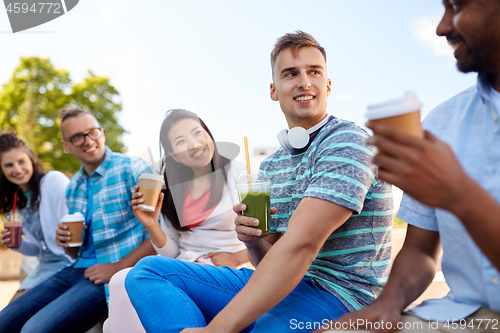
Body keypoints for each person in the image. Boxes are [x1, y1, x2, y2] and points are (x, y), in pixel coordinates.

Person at [124, 31, 394, 333]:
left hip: (341, 295)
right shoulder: (271, 166)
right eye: (291, 74)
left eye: (314, 72)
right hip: (285, 282)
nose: (304, 82)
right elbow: (270, 260)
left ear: (328, 85)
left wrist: (216, 330)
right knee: (148, 273)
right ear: (274, 90)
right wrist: (252, 242)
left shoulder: (349, 142)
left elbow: (301, 247)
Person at [326, 0, 500, 332]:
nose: (442, 27)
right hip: (463, 317)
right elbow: (421, 251)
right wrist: (387, 304)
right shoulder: (442, 123)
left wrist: (459, 194)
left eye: (457, 7)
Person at [0, 108, 158, 333]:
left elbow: (163, 234)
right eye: (77, 137)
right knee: (5, 322)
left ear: (102, 133)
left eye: (92, 132)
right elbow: (75, 252)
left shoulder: (132, 168)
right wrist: (67, 244)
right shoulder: (74, 186)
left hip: (110, 275)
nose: (87, 141)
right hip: (73, 269)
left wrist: (117, 267)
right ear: (66, 145)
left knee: (34, 330)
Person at [103, 109, 248, 333]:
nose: (194, 144)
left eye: (198, 133)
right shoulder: (170, 187)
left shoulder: (238, 174)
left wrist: (237, 257)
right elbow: (171, 253)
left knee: (123, 283)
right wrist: (150, 223)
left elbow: (270, 235)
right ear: (172, 154)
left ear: (209, 135)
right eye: (181, 141)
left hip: (227, 272)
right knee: (119, 282)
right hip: (182, 268)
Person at [0, 133, 72, 302]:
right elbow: (37, 250)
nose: (17, 169)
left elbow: (73, 225)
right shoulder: (18, 204)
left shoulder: (53, 181)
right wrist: (17, 244)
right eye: (9, 165)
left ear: (31, 159)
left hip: (69, 262)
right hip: (45, 264)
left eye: (21, 161)